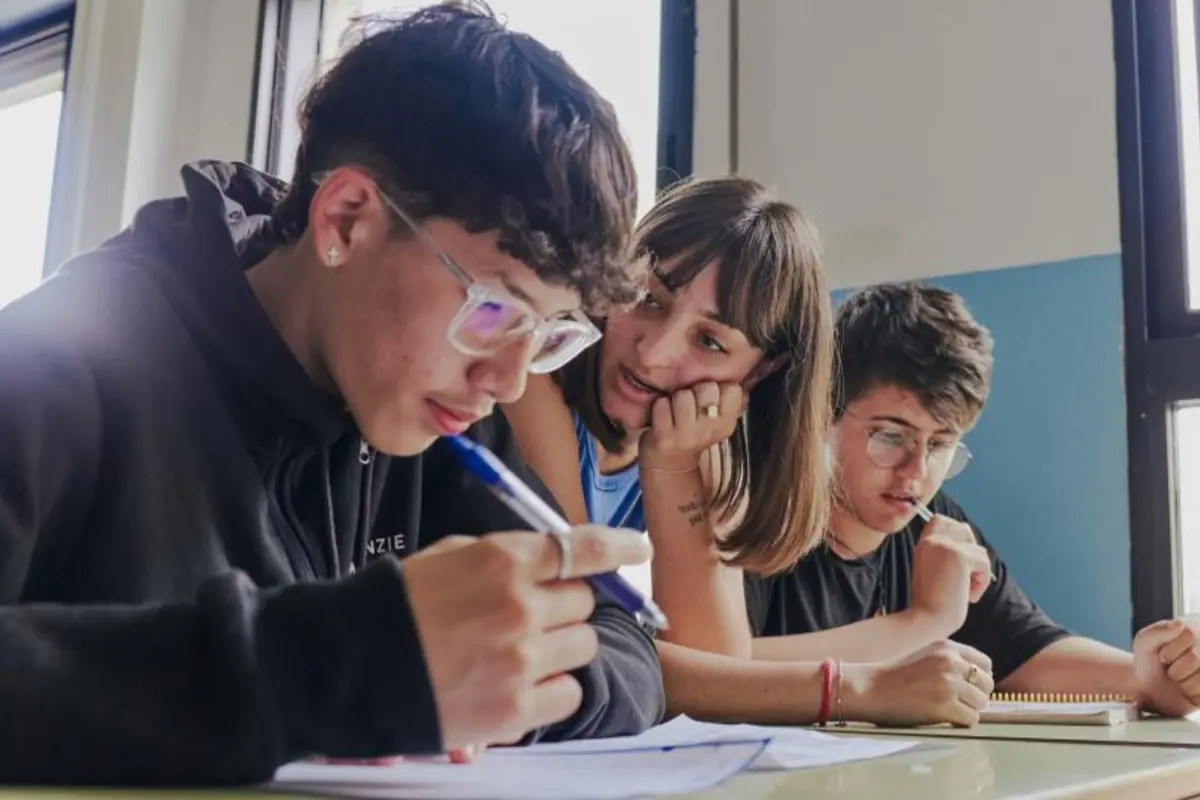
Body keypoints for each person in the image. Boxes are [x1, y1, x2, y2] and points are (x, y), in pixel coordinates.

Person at [0, 3, 665, 785]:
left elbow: (622, 637)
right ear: (346, 220)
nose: (510, 381)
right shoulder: (59, 359)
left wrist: (511, 679)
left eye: (553, 333)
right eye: (494, 309)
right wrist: (326, 671)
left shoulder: (445, 418)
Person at [504, 178, 996, 729]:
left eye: (710, 341)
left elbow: (715, 678)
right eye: (648, 299)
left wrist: (672, 467)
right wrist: (857, 688)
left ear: (762, 370)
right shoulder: (531, 380)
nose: (655, 352)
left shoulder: (706, 438)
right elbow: (580, 650)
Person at [746, 281, 1200, 718]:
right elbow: (723, 670)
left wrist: (1143, 678)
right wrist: (923, 621)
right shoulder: (757, 512)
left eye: (941, 445)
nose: (916, 473)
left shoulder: (933, 522)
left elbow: (1026, 651)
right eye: (890, 436)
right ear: (823, 414)